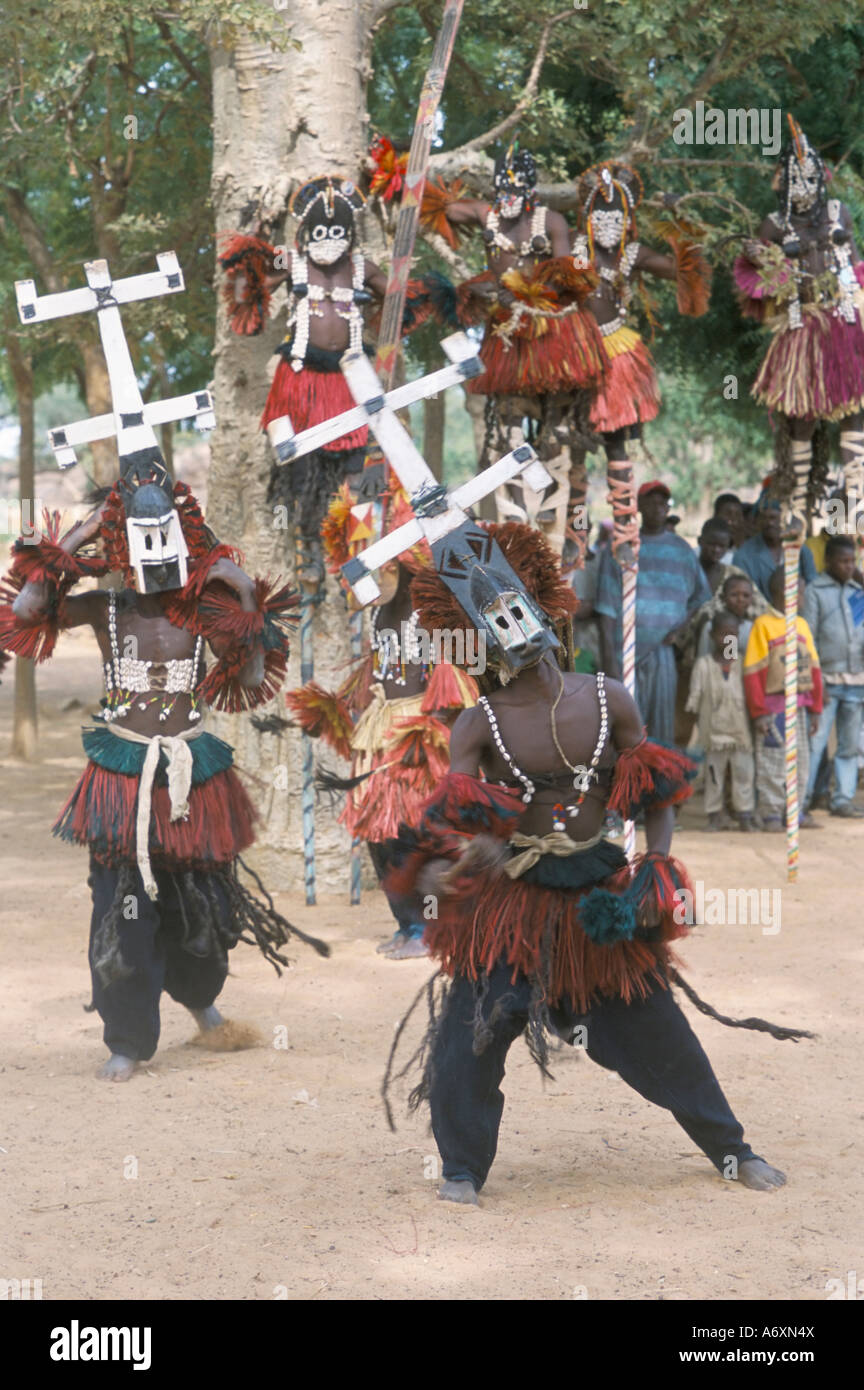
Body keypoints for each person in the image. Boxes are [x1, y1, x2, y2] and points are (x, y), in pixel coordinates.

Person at [384, 519, 795, 1205]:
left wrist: (653, 871)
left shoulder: (610, 700)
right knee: (475, 1028)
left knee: (651, 1023)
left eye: (517, 611)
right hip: (511, 901)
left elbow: (656, 796)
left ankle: (730, 1147)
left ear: (544, 611)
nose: (510, 630)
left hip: (597, 894)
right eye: (491, 624)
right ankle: (461, 1167)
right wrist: (454, 865)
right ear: (474, 642)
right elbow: (460, 822)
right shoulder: (477, 724)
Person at [0, 455, 326, 1080]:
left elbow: (254, 676)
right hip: (121, 778)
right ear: (119, 541)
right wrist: (75, 537)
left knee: (203, 903)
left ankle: (202, 1001)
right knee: (120, 906)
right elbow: (25, 614)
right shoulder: (105, 606)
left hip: (193, 780)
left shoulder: (204, 608)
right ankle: (127, 1037)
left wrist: (247, 594)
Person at [219, 176, 450, 582]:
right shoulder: (289, 262)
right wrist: (250, 250)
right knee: (303, 468)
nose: (328, 240)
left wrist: (417, 287)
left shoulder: (362, 268)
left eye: (338, 232)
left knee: (360, 466)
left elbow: (401, 296)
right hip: (301, 379)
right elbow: (247, 290)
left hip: (351, 382)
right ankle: (308, 547)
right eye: (321, 232)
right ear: (305, 233)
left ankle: (360, 547)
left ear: (351, 234)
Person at [286, 484, 478, 959]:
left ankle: (436, 927)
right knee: (380, 834)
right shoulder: (381, 614)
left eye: (370, 569)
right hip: (380, 733)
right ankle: (408, 924)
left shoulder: (434, 607)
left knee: (425, 833)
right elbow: (375, 672)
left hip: (422, 737)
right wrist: (336, 711)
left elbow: (463, 675)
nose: (361, 584)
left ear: (396, 561)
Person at [441, 144, 606, 550]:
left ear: (532, 190)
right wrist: (403, 180)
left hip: (551, 334)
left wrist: (534, 290)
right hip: (508, 336)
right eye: (502, 190)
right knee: (509, 423)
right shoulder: (486, 214)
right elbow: (443, 209)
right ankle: (514, 515)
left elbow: (569, 272)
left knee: (555, 426)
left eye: (516, 189)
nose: (508, 197)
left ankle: (551, 502)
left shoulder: (551, 220)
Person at [733, 117, 864, 526]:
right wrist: (773, 260)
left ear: (821, 179)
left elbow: (858, 266)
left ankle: (857, 498)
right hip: (802, 327)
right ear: (785, 181)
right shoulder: (776, 223)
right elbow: (750, 258)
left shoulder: (838, 213)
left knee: (854, 409)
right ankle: (797, 507)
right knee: (802, 416)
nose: (804, 188)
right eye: (796, 179)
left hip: (843, 322)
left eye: (810, 179)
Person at [596, 480, 710, 744]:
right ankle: (628, 783)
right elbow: (606, 611)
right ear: (640, 507)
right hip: (624, 651)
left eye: (663, 503)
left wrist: (680, 629)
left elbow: (699, 597)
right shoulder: (620, 548)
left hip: (662, 652)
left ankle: (658, 783)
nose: (658, 508)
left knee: (660, 726)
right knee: (626, 724)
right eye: (652, 501)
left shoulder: (681, 550)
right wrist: (610, 663)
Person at [743, 566, 823, 831]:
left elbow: (813, 667)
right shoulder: (763, 625)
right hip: (773, 709)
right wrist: (759, 711)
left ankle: (795, 810)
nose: (802, 598)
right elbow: (752, 672)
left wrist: (816, 707)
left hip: (798, 709)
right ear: (784, 593)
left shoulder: (801, 625)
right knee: (772, 761)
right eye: (799, 593)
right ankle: (771, 812)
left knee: (801, 762)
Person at [803, 534, 864, 817]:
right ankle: (802, 800)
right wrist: (816, 684)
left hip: (856, 681)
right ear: (828, 561)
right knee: (816, 744)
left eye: (852, 561)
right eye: (842, 561)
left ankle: (843, 798)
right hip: (826, 680)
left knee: (850, 744)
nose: (848, 566)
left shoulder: (857, 592)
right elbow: (809, 639)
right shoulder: (815, 591)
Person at [686, 613, 755, 832]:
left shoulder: (743, 664)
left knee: (744, 773)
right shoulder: (703, 665)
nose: (728, 639)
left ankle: (744, 814)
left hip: (741, 733)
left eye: (733, 634)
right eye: (723, 634)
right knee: (714, 774)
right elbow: (694, 699)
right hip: (713, 733)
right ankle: (714, 815)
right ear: (712, 635)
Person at [733, 495, 815, 602]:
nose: (769, 523)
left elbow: (811, 587)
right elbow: (746, 596)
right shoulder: (744, 555)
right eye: (764, 518)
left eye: (774, 518)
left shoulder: (801, 550)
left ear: (785, 519)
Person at [713, 493, 745, 557]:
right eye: (728, 514)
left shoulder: (746, 553)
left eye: (738, 515)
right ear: (715, 516)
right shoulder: (701, 554)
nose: (734, 522)